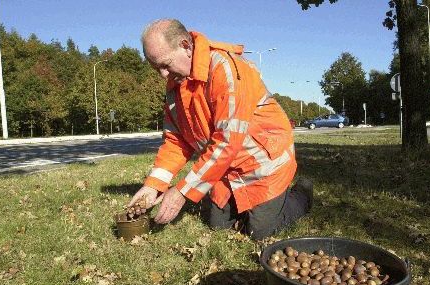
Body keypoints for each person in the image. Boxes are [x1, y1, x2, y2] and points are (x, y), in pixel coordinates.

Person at [128, 19, 312, 240]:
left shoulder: (225, 69)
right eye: (155, 67)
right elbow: (175, 141)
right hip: (226, 169)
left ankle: (302, 193)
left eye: (165, 65)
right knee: (218, 226)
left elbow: (227, 141)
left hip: (264, 164)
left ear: (186, 46)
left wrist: (182, 192)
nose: (163, 75)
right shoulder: (175, 85)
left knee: (259, 232)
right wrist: (153, 186)